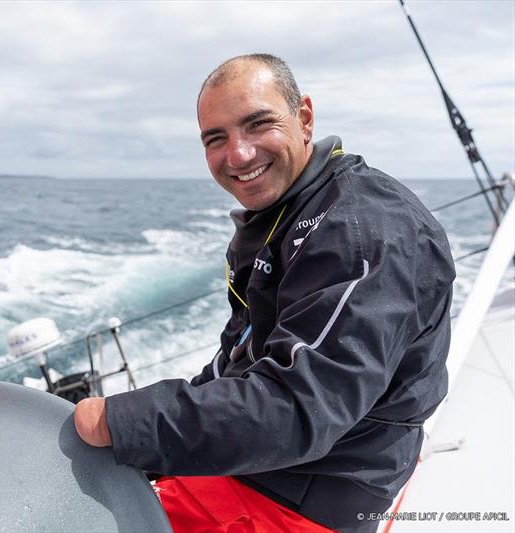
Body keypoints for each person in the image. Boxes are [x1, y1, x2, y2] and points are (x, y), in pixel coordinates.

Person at [74, 54, 455, 533]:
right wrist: (139, 441)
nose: (238, 154)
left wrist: (124, 424)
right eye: (216, 138)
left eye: (258, 125)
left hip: (304, 499)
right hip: (255, 467)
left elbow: (298, 408)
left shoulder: (364, 230)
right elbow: (238, 360)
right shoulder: (282, 217)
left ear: (305, 118)